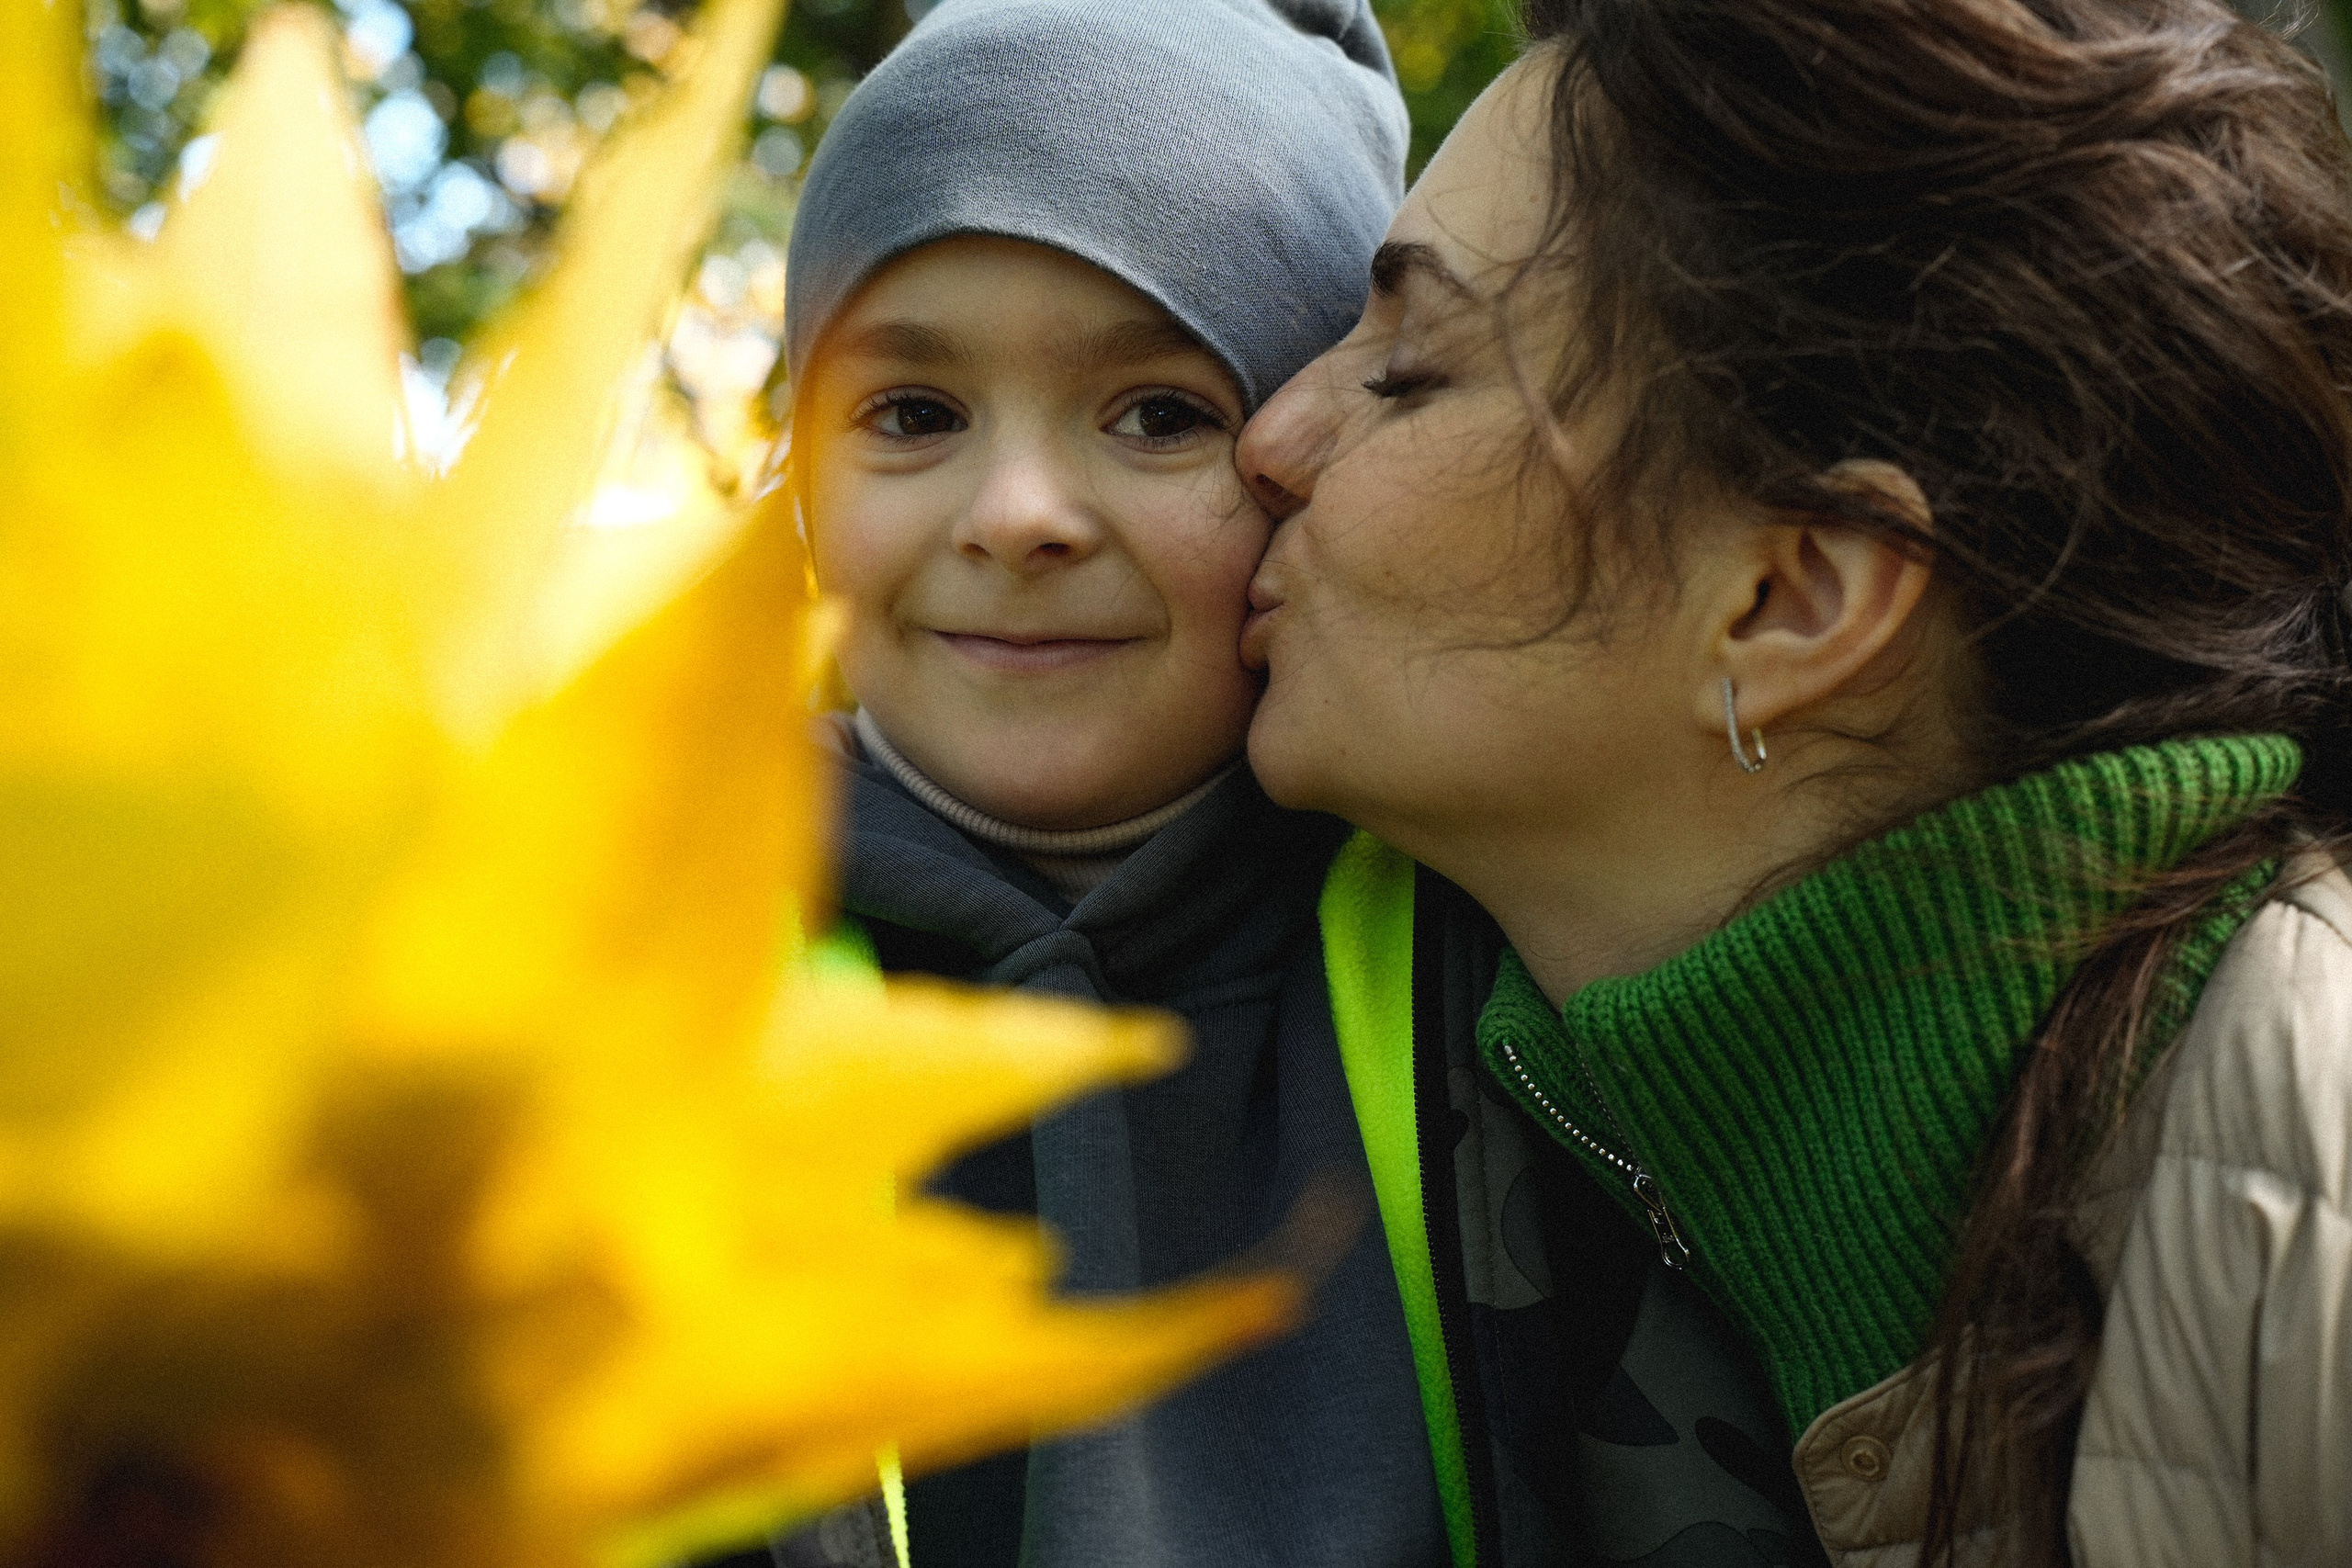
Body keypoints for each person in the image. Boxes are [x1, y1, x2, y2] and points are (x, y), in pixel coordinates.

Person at [1236, 0, 2352, 1562]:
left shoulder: (2315, 1154)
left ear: (1789, 608)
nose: (1268, 437)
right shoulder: (1477, 1078)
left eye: (1412, 372)